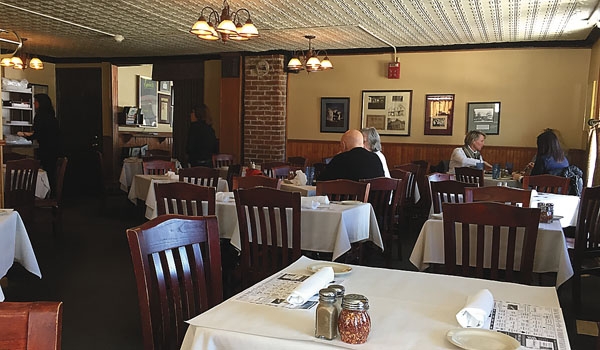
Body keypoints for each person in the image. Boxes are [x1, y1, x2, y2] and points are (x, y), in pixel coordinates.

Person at [17, 93, 61, 193]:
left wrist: (24, 135)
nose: (34, 103)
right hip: (56, 150)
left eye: (36, 101)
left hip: (46, 150)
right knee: (52, 175)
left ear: (41, 103)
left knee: (46, 172)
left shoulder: (40, 116)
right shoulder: (52, 116)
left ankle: (44, 195)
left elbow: (37, 133)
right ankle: (53, 197)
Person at [318, 129, 384, 181]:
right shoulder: (376, 158)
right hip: (374, 198)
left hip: (348, 198)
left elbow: (321, 181)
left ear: (343, 145)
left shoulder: (340, 159)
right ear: (362, 144)